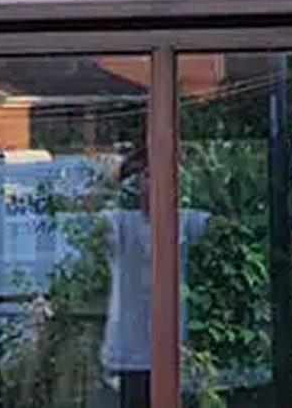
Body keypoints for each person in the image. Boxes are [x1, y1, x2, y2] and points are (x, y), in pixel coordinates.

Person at [101, 144, 210, 408]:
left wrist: (203, 168)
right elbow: (86, 216)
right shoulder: (118, 222)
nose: (154, 181)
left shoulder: (188, 221)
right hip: (128, 353)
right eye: (147, 174)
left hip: (176, 351)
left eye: (165, 172)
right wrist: (119, 174)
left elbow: (231, 225)